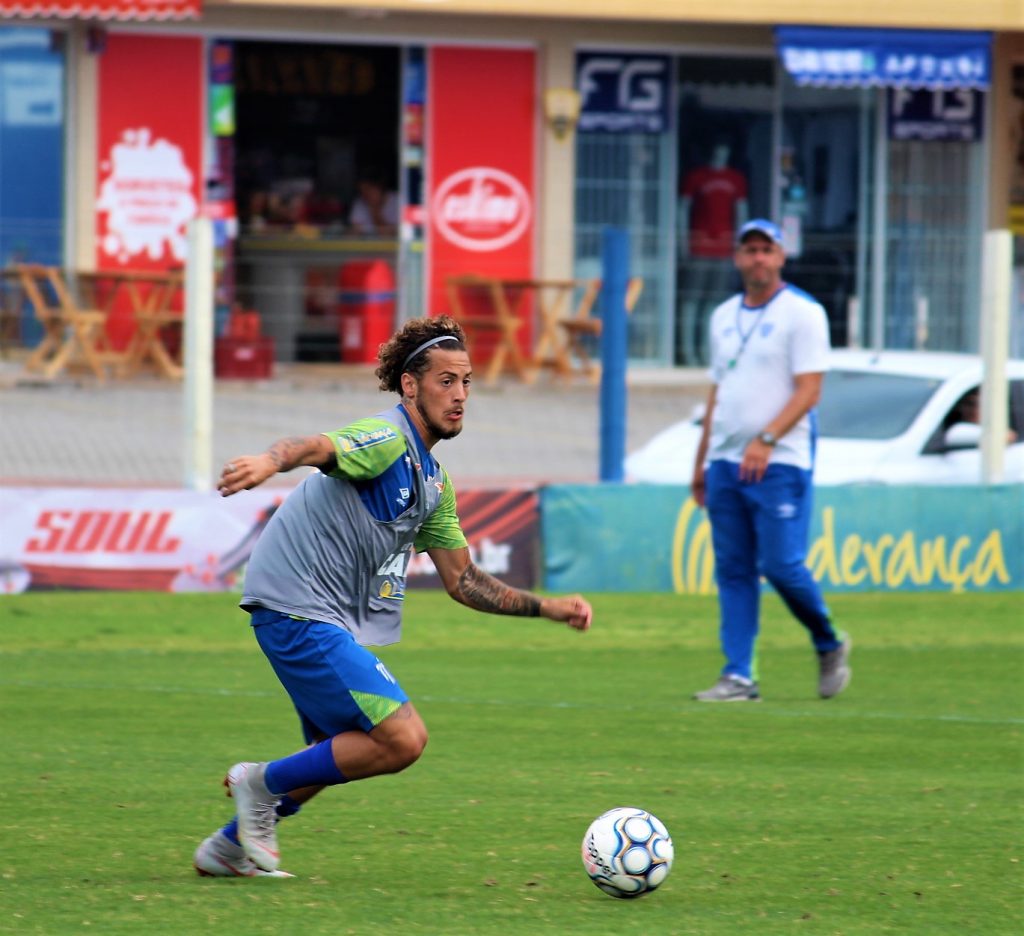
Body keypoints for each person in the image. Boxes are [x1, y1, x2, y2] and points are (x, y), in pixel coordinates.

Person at [193, 315, 592, 878]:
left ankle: (227, 850)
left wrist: (548, 608)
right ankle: (256, 785)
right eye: (446, 381)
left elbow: (464, 581)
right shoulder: (385, 439)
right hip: (296, 606)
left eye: (467, 382)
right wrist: (269, 461)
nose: (459, 396)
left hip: (312, 613)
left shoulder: (433, 481)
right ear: (411, 384)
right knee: (403, 738)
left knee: (337, 754)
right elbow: (318, 446)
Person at [690, 219, 850, 703]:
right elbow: (719, 390)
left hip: (781, 460)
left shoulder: (804, 313)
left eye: (767, 249)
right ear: (737, 257)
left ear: (781, 256)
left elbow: (810, 390)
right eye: (749, 249)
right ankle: (739, 675)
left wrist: (766, 438)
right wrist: (701, 460)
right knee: (734, 571)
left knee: (782, 566)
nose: (758, 258)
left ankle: (828, 640)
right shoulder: (722, 316)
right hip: (725, 460)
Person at [348, 171, 399, 236]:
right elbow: (353, 233)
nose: (365, 195)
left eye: (368, 189)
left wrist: (375, 212)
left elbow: (388, 235)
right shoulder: (360, 202)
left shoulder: (397, 201)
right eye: (362, 191)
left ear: (380, 188)